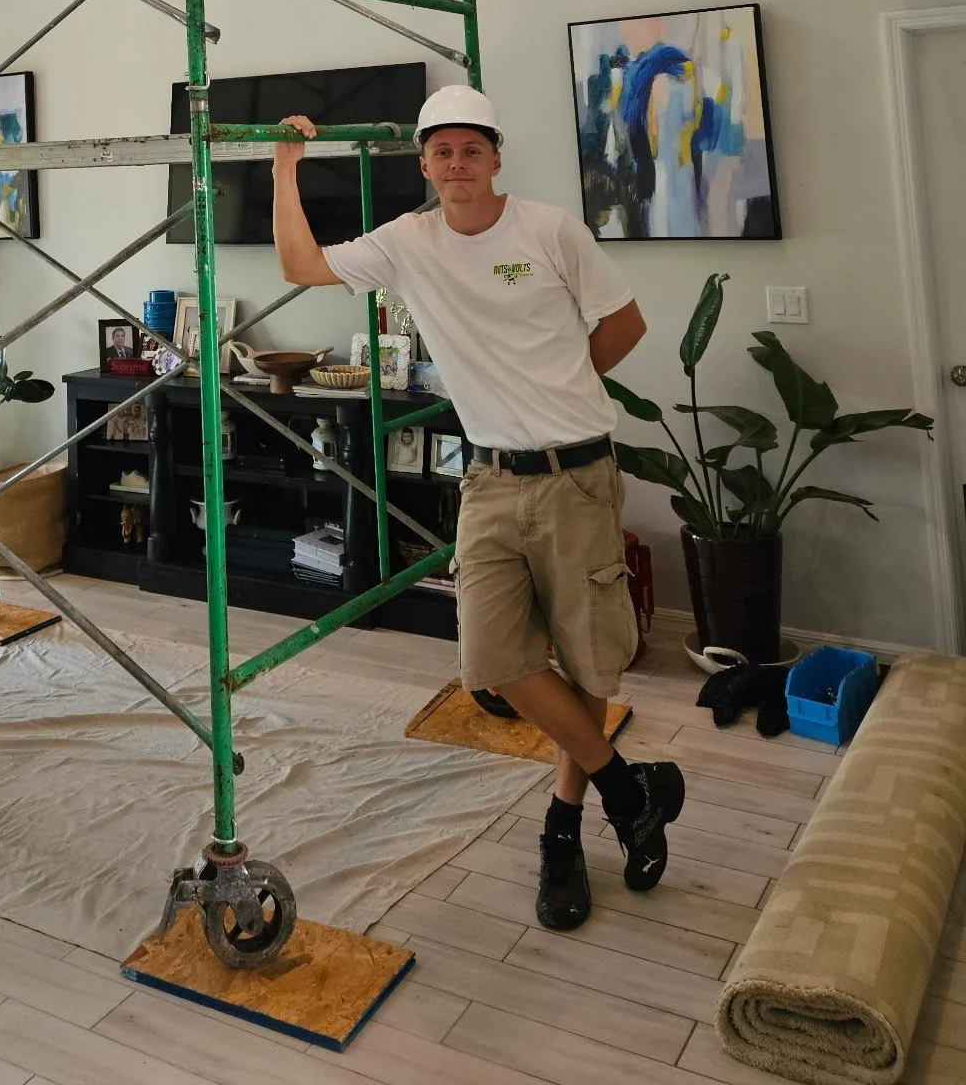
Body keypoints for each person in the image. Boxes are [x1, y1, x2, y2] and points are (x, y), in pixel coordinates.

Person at [271, 84, 683, 932]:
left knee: (586, 666)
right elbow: (301, 267)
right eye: (442, 152)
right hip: (490, 481)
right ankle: (625, 790)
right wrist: (285, 168)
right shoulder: (407, 242)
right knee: (492, 662)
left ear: (495, 158)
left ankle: (563, 831)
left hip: (576, 476)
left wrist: (559, 388)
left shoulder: (549, 230)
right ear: (424, 166)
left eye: (471, 149)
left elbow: (624, 325)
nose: (457, 164)